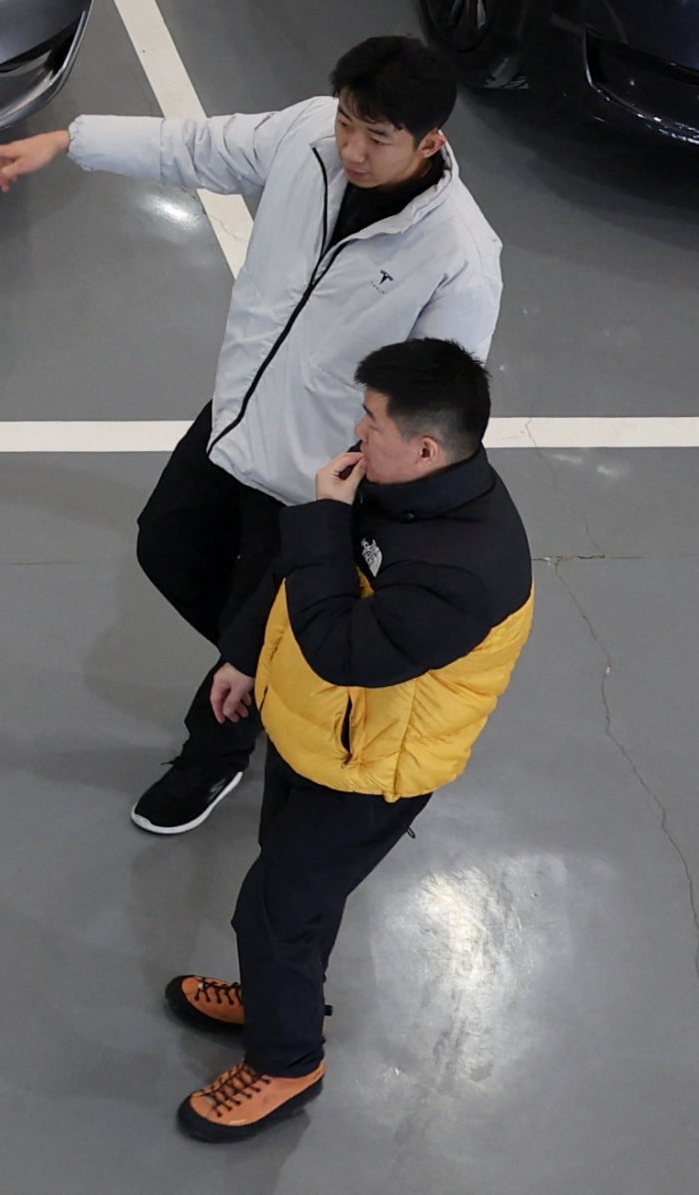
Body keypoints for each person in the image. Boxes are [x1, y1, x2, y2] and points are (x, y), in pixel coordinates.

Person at [0, 36, 502, 835]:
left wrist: (361, 511)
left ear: (430, 143)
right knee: (167, 548)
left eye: (376, 138)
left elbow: (435, 406)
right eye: (348, 123)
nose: (351, 148)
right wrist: (67, 141)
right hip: (237, 419)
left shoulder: (458, 258)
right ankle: (280, 671)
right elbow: (197, 147)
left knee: (254, 639)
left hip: (314, 483)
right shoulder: (305, 138)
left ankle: (213, 751)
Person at [161, 338, 534, 1143]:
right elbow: (294, 577)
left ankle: (285, 1062)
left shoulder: (467, 567)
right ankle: (278, 993)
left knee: (272, 911)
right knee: (291, 899)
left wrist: (325, 519)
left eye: (370, 420)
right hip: (315, 731)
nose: (356, 432)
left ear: (425, 446)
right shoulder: (391, 479)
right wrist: (242, 655)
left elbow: (344, 653)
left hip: (372, 771)